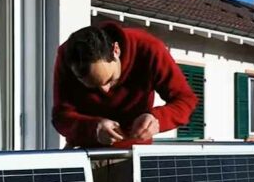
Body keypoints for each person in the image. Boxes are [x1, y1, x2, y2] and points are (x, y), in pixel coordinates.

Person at [52, 22, 198, 148]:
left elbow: (185, 100)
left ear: (116, 50)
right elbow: (61, 116)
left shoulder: (149, 48)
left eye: (110, 79)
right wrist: (93, 128)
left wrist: (157, 119)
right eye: (93, 87)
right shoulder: (66, 56)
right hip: (85, 150)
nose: (105, 90)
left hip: (134, 150)